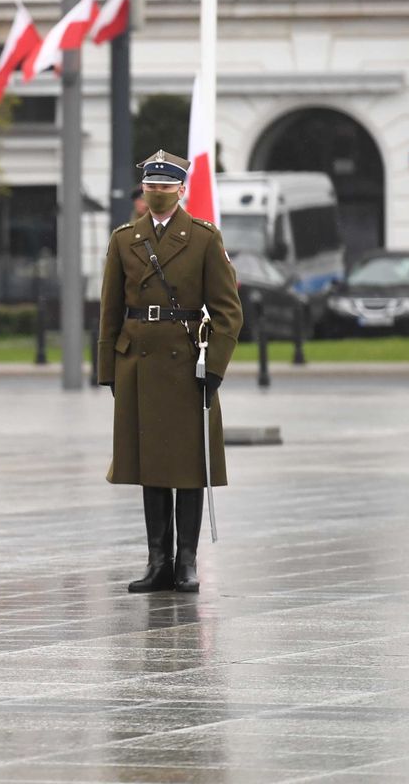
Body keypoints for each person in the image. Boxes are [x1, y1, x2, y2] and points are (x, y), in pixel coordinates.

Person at [97, 151, 242, 594]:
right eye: (151, 185)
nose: (157, 192)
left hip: (186, 365)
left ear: (181, 189)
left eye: (166, 186)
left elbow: (228, 311)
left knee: (188, 466)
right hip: (137, 362)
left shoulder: (202, 238)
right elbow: (110, 310)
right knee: (151, 466)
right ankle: (157, 561)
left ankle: (187, 562)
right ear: (143, 189)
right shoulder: (125, 239)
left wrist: (213, 366)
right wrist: (108, 369)